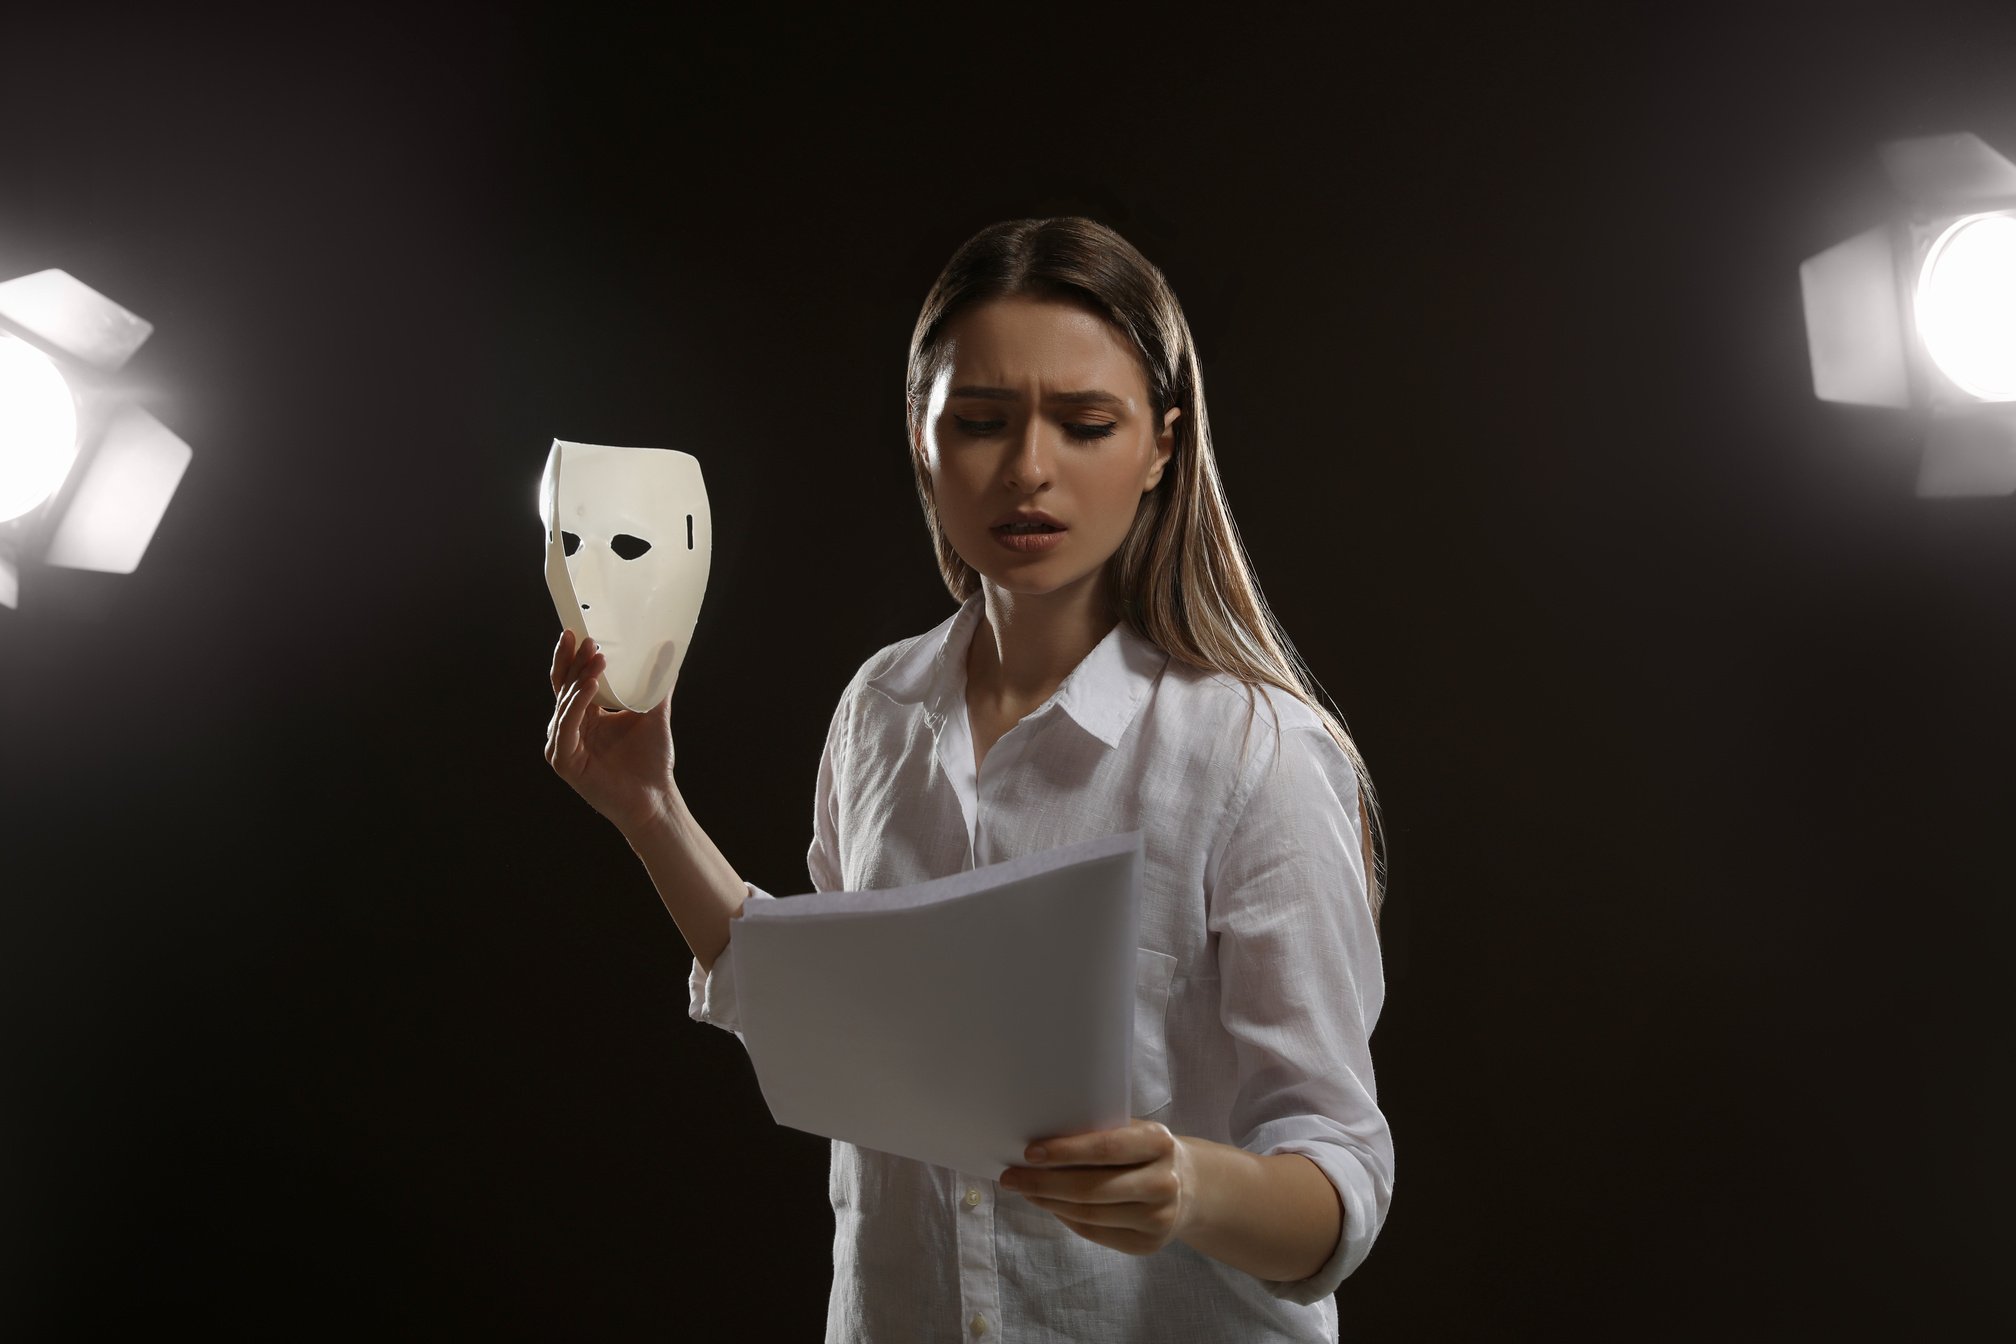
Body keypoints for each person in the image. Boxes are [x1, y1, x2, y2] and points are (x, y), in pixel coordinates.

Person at [545, 216, 1393, 1342]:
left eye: (1086, 424)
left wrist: (1188, 1186)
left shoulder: (1254, 755)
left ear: (1161, 447)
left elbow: (1340, 1176)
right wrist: (646, 807)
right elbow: (822, 1018)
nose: (1028, 468)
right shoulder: (878, 715)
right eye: (982, 422)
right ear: (922, 438)